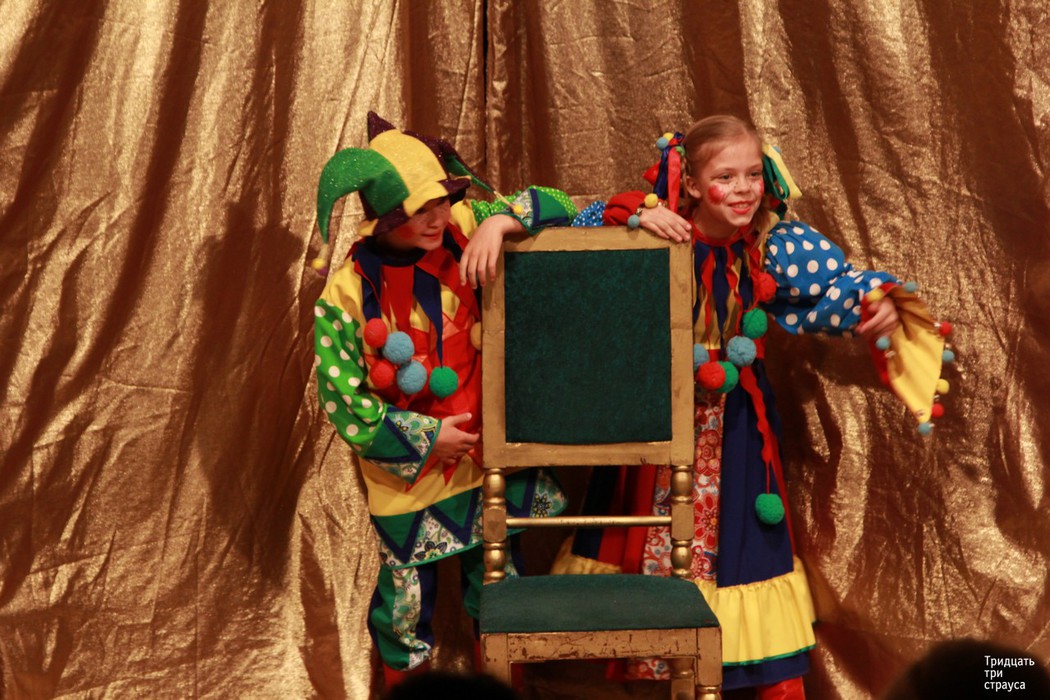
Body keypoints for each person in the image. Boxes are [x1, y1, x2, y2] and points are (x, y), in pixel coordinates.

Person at [512, 115, 951, 699]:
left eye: (751, 174)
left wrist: (874, 304)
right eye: (725, 176)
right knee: (660, 549)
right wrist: (516, 225)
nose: (743, 189)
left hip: (738, 425)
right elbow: (572, 221)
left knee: (738, 552)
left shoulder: (771, 243)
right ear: (693, 184)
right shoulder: (656, 227)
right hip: (660, 419)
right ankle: (666, 672)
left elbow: (835, 287)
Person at [312, 112, 578, 686]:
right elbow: (344, 401)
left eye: (442, 202)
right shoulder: (346, 293)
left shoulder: (462, 223)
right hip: (411, 478)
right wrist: (429, 438)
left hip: (486, 459)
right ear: (386, 217)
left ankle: (504, 691)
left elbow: (560, 204)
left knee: (501, 592)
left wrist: (499, 221)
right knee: (404, 610)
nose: (437, 217)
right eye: (420, 210)